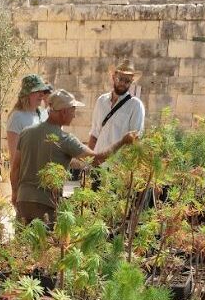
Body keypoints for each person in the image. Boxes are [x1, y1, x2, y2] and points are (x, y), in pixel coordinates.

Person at [11, 89, 137, 225]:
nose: (74, 115)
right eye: (73, 110)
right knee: (45, 245)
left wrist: (15, 194)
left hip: (23, 201)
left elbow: (15, 168)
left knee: (22, 244)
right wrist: (123, 141)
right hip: (47, 205)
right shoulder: (65, 139)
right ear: (64, 111)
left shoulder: (27, 132)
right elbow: (96, 159)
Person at [88, 58, 145, 156]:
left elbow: (135, 139)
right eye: (120, 79)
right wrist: (88, 161)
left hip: (117, 166)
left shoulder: (136, 106)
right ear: (113, 77)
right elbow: (94, 133)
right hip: (97, 163)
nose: (122, 83)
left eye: (127, 81)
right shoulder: (101, 101)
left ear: (131, 82)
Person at [6, 74, 51, 162]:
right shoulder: (17, 117)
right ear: (27, 93)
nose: (42, 94)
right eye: (37, 91)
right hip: (26, 174)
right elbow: (14, 156)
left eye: (42, 91)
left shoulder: (43, 114)